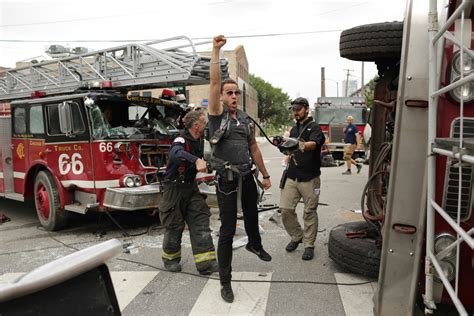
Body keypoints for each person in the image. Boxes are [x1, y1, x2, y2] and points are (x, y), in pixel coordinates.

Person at [208, 35, 272, 303]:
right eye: (229, 93)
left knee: (252, 214)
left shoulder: (244, 119)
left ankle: (254, 244)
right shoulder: (216, 115)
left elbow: (254, 148)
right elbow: (213, 81)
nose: (234, 96)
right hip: (226, 179)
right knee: (227, 230)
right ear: (222, 97)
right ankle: (225, 281)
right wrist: (216, 51)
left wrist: (265, 175)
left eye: (236, 93)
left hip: (247, 176)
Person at [158, 110, 219, 275]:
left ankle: (206, 263)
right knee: (174, 225)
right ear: (196, 124)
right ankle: (170, 260)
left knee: (200, 221)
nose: (206, 124)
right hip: (174, 189)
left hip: (191, 188)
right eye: (204, 122)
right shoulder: (181, 139)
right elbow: (175, 154)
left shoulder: (199, 141)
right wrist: (196, 160)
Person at [279, 97, 325, 261]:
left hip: (310, 177)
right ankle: (297, 236)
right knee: (285, 209)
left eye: (298, 109)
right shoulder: (293, 130)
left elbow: (314, 144)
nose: (296, 112)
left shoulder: (314, 128)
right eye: (293, 109)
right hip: (292, 175)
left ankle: (309, 245)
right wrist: (283, 147)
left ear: (306, 109)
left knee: (309, 211)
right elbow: (289, 152)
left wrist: (299, 144)